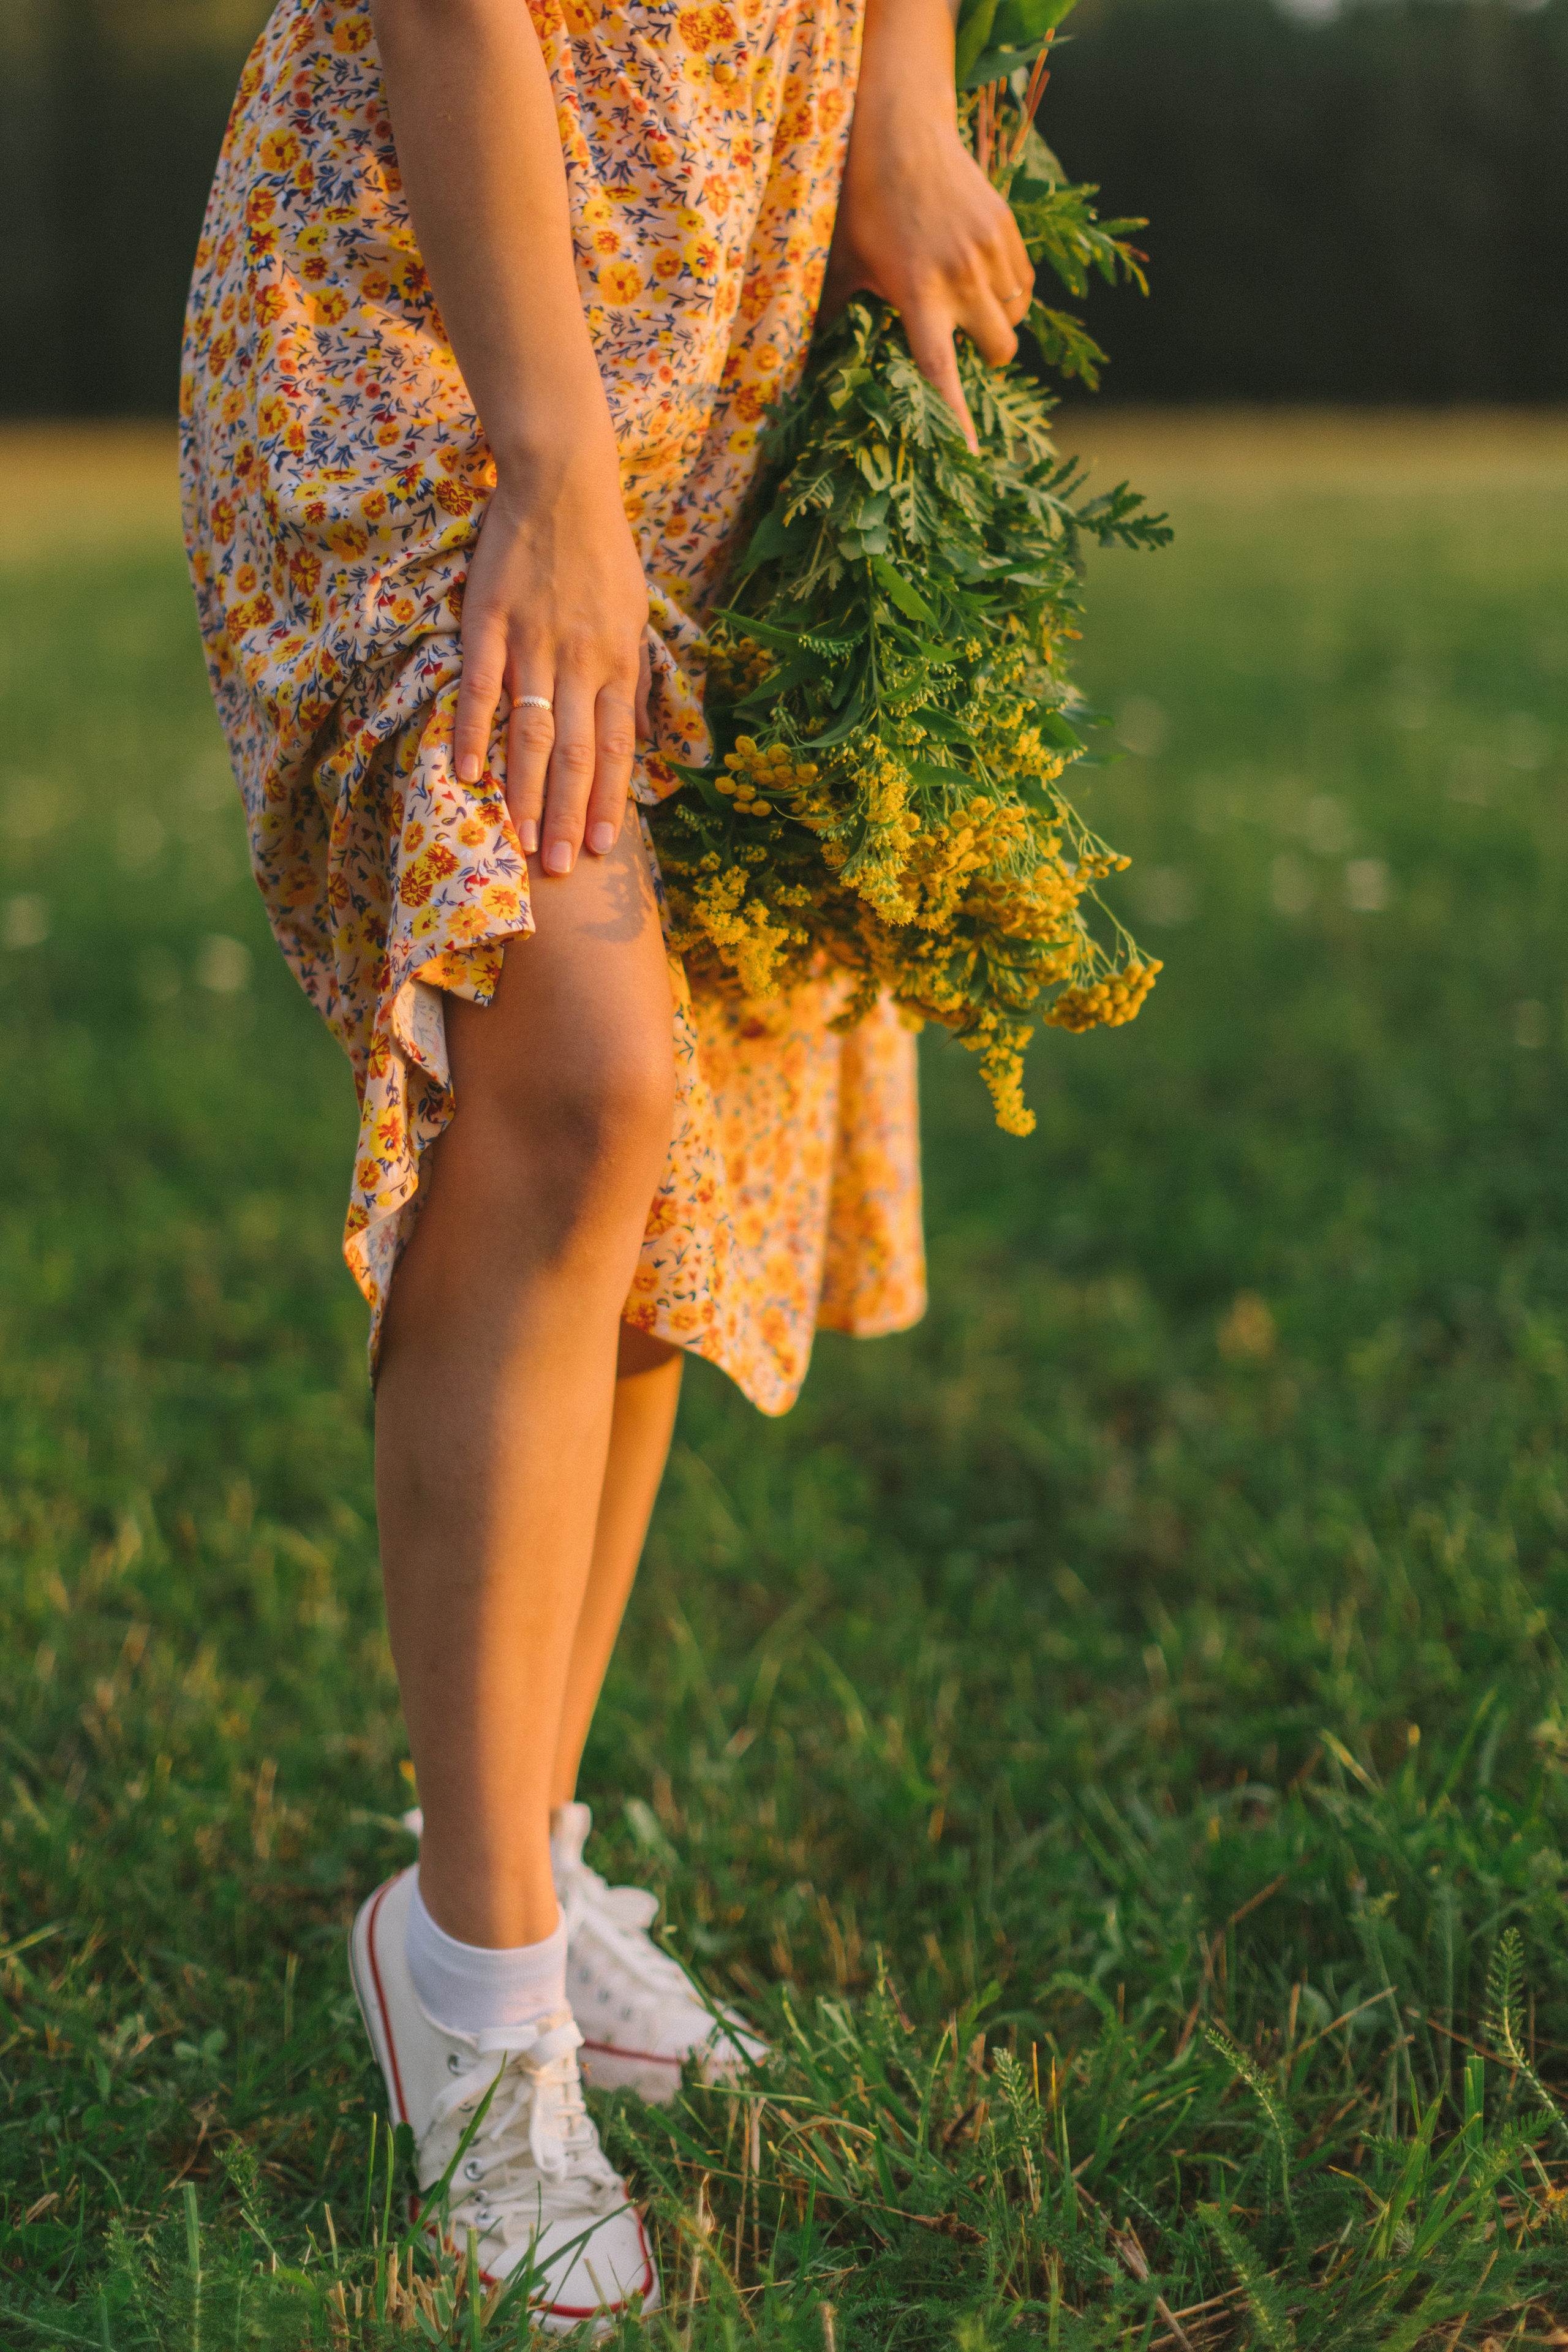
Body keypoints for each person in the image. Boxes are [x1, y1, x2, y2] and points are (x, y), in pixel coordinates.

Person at [181, 0, 1033, 2323]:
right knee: (577, 1073)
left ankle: (516, 1884)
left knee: (679, 1144)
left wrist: (904, 103)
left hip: (722, 310)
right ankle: (470, 2003)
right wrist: (550, 460)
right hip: (446, 318)